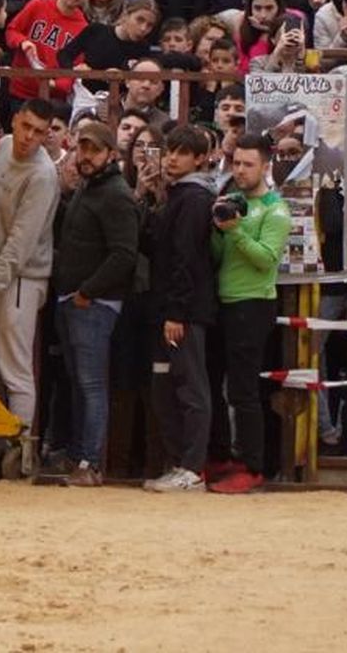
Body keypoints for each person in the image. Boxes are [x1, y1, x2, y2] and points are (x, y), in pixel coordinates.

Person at [50, 120, 139, 486]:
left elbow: (123, 255)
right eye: (82, 148)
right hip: (78, 299)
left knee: (90, 384)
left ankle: (89, 461)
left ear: (110, 154)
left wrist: (87, 292)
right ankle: (78, 456)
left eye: (93, 150)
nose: (85, 156)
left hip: (94, 303)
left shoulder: (115, 194)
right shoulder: (91, 188)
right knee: (80, 382)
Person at [208, 132, 292, 493]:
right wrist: (216, 229)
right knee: (214, 383)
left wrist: (236, 230)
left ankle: (252, 466)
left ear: (265, 167)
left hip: (253, 303)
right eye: (236, 163)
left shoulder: (276, 209)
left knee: (244, 390)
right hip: (224, 302)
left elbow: (266, 260)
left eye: (248, 164)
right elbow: (217, 255)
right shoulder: (232, 201)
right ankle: (223, 456)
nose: (240, 170)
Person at [138, 124, 219, 493]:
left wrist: (177, 312)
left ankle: (192, 467)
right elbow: (157, 248)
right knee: (164, 386)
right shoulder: (175, 195)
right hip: (167, 309)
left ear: (200, 159)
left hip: (181, 313)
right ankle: (178, 463)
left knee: (189, 387)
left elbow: (186, 260)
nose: (172, 157)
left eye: (183, 152)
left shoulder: (195, 199)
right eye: (170, 150)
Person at [0, 98, 60, 434]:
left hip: (22, 278)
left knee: (15, 368)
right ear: (14, 122)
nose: (29, 136)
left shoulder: (42, 175)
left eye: (39, 132)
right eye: (26, 127)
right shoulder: (4, 147)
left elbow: (21, 242)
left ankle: (21, 447)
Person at [4, 0, 91, 104]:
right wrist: (23, 42)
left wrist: (56, 84)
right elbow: (12, 30)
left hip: (52, 98)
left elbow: (76, 67)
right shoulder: (37, 5)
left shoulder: (84, 29)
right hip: (19, 89)